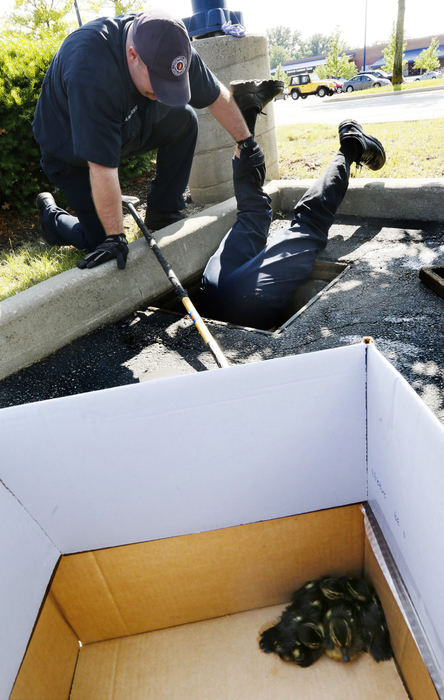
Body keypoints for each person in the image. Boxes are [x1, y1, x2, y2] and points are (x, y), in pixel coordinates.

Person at [34, 9, 273, 270]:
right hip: (71, 151)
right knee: (99, 240)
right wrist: (116, 236)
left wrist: (247, 143)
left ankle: (163, 211)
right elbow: (101, 167)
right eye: (158, 84)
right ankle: (52, 219)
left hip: (125, 120)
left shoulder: (170, 45)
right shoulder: (90, 69)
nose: (162, 94)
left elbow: (216, 96)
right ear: (133, 55)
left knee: (183, 119)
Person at [197, 81, 386, 330]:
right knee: (287, 220)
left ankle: (248, 111)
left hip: (215, 294)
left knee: (270, 218)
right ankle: (352, 144)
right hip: (229, 297)